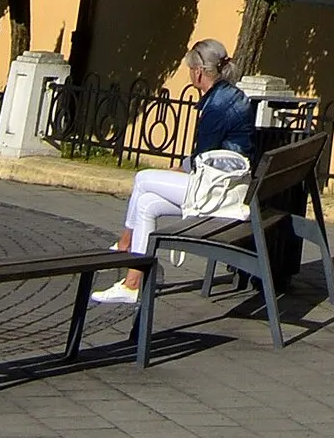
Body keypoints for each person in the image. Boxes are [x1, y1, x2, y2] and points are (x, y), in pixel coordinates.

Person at [87, 40, 262, 307]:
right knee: (146, 204)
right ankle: (133, 283)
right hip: (225, 185)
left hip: (217, 193)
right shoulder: (228, 94)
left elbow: (204, 154)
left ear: (199, 72)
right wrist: (181, 167)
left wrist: (180, 167)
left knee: (143, 179)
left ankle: (124, 245)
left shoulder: (216, 106)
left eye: (190, 68)